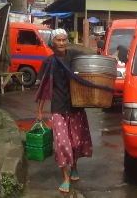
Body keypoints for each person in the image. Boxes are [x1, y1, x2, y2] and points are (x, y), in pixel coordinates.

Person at [34, 29, 93, 193]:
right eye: (58, 40)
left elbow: (90, 59)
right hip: (58, 107)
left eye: (64, 40)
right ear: (52, 42)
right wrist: (39, 111)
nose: (61, 43)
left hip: (75, 105)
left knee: (75, 142)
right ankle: (65, 177)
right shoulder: (48, 62)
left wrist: (110, 59)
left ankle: (74, 166)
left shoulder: (73, 55)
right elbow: (44, 88)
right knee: (62, 143)